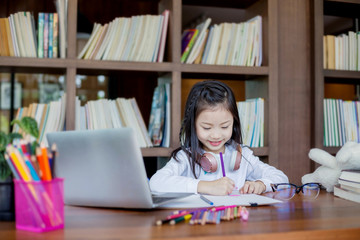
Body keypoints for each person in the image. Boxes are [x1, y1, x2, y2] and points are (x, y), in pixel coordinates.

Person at [149, 80, 288, 195]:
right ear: (193, 125)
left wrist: (261, 185)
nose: (216, 135)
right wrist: (205, 186)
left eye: (224, 126)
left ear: (234, 123)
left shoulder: (243, 155)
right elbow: (156, 183)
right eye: (207, 128)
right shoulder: (186, 157)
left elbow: (282, 178)